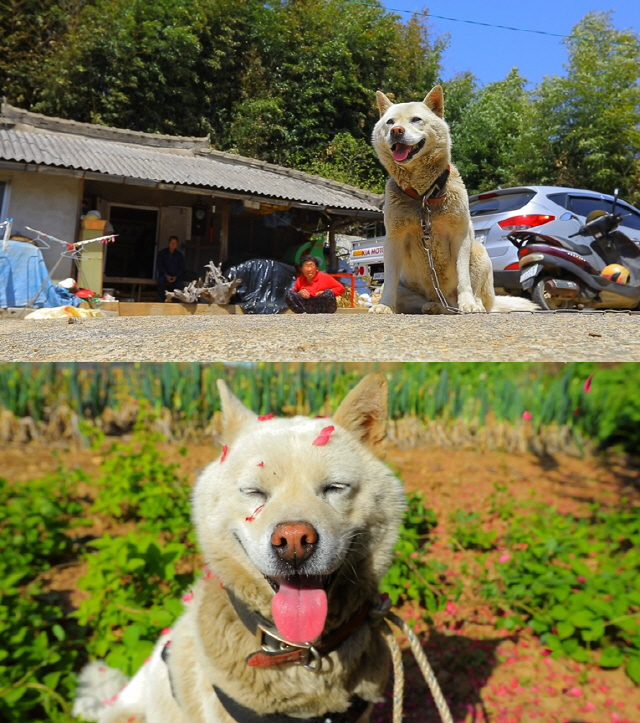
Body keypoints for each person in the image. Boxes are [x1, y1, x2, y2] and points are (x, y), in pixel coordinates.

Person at [156, 236, 186, 301]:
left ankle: (176, 300)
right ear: (169, 243)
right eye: (172, 243)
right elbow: (159, 266)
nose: (173, 244)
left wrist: (176, 276)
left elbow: (181, 268)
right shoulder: (162, 253)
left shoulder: (179, 255)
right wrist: (166, 275)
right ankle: (162, 299)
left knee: (179, 285)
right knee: (160, 282)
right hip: (164, 275)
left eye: (175, 243)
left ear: (177, 245)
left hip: (176, 276)